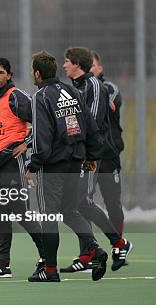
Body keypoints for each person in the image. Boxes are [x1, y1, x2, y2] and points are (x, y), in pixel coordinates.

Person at [25, 50, 107, 282]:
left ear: (38, 73)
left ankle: (50, 271)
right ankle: (95, 248)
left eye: (33, 71)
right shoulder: (72, 90)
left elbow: (42, 136)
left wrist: (33, 165)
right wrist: (91, 155)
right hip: (76, 161)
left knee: (49, 216)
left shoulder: (40, 97)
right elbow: (90, 126)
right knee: (70, 211)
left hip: (53, 166)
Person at [58, 47, 131, 273]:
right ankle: (92, 251)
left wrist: (78, 144)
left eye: (67, 61)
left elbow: (92, 122)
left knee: (83, 202)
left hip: (90, 155)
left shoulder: (94, 86)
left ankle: (117, 243)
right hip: (76, 154)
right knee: (73, 205)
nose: (64, 65)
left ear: (78, 64)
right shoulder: (74, 88)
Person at [0, 58, 45, 278]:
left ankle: (47, 258)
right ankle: (2, 265)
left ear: (9, 75)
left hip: (12, 163)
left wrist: (26, 144)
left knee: (21, 212)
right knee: (0, 214)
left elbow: (42, 121)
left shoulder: (16, 97)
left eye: (1, 72)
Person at [89, 51, 126, 236]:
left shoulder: (109, 88)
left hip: (109, 156)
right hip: (88, 157)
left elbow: (110, 104)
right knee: (82, 203)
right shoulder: (76, 91)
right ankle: (88, 251)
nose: (90, 68)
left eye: (93, 65)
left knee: (112, 202)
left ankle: (119, 245)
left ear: (100, 68)